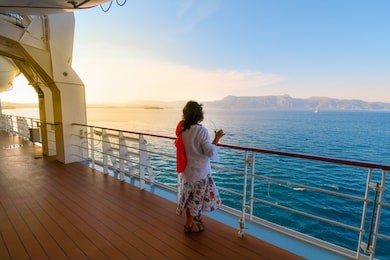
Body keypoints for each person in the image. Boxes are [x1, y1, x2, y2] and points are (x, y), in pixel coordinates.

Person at [176, 100, 225, 233]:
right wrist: (217, 138)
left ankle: (194, 220)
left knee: (190, 200)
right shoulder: (201, 130)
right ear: (199, 115)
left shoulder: (183, 130)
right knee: (195, 201)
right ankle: (188, 226)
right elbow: (209, 152)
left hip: (188, 172)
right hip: (200, 174)